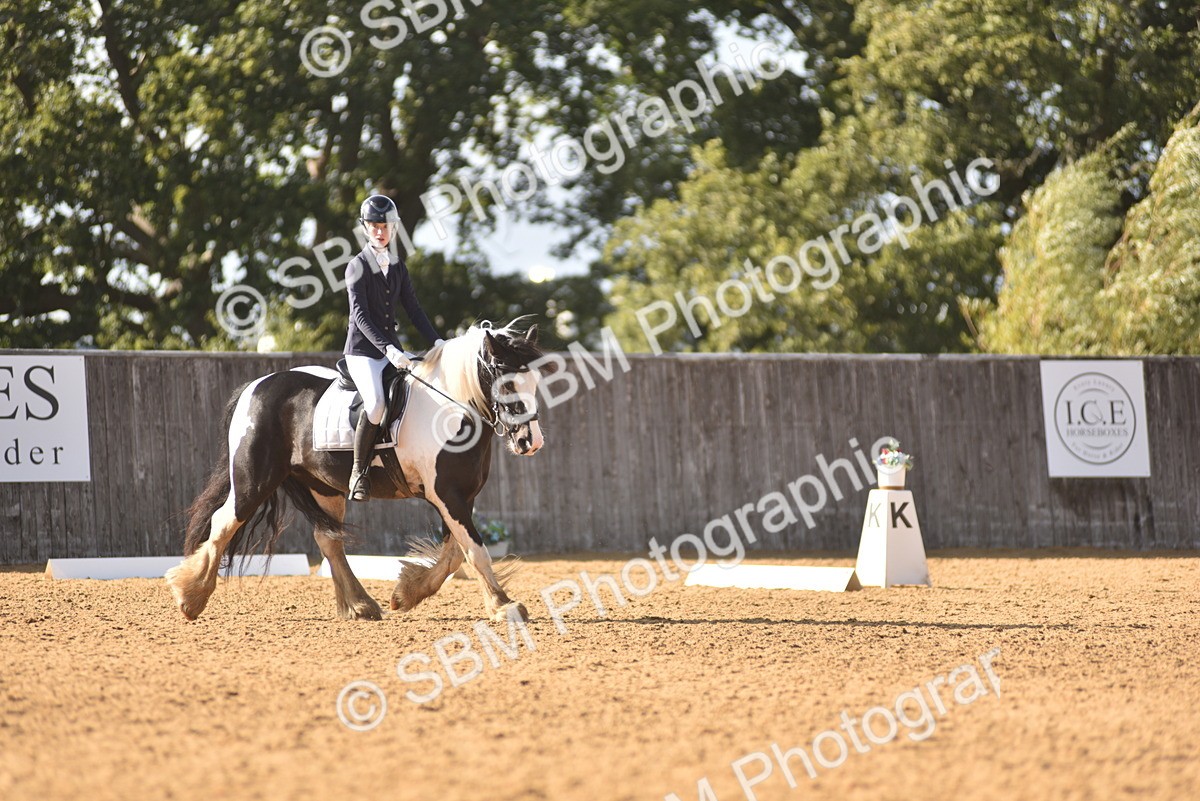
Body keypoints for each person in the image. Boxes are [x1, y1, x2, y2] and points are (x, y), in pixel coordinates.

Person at [343, 194, 443, 502]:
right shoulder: (356, 266)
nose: (380, 231)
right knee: (375, 404)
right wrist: (389, 350)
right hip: (363, 352)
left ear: (394, 229)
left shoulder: (398, 267)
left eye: (385, 226)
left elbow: (414, 310)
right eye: (374, 226)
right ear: (366, 228)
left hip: (392, 351)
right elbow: (360, 316)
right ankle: (358, 472)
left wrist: (437, 341)